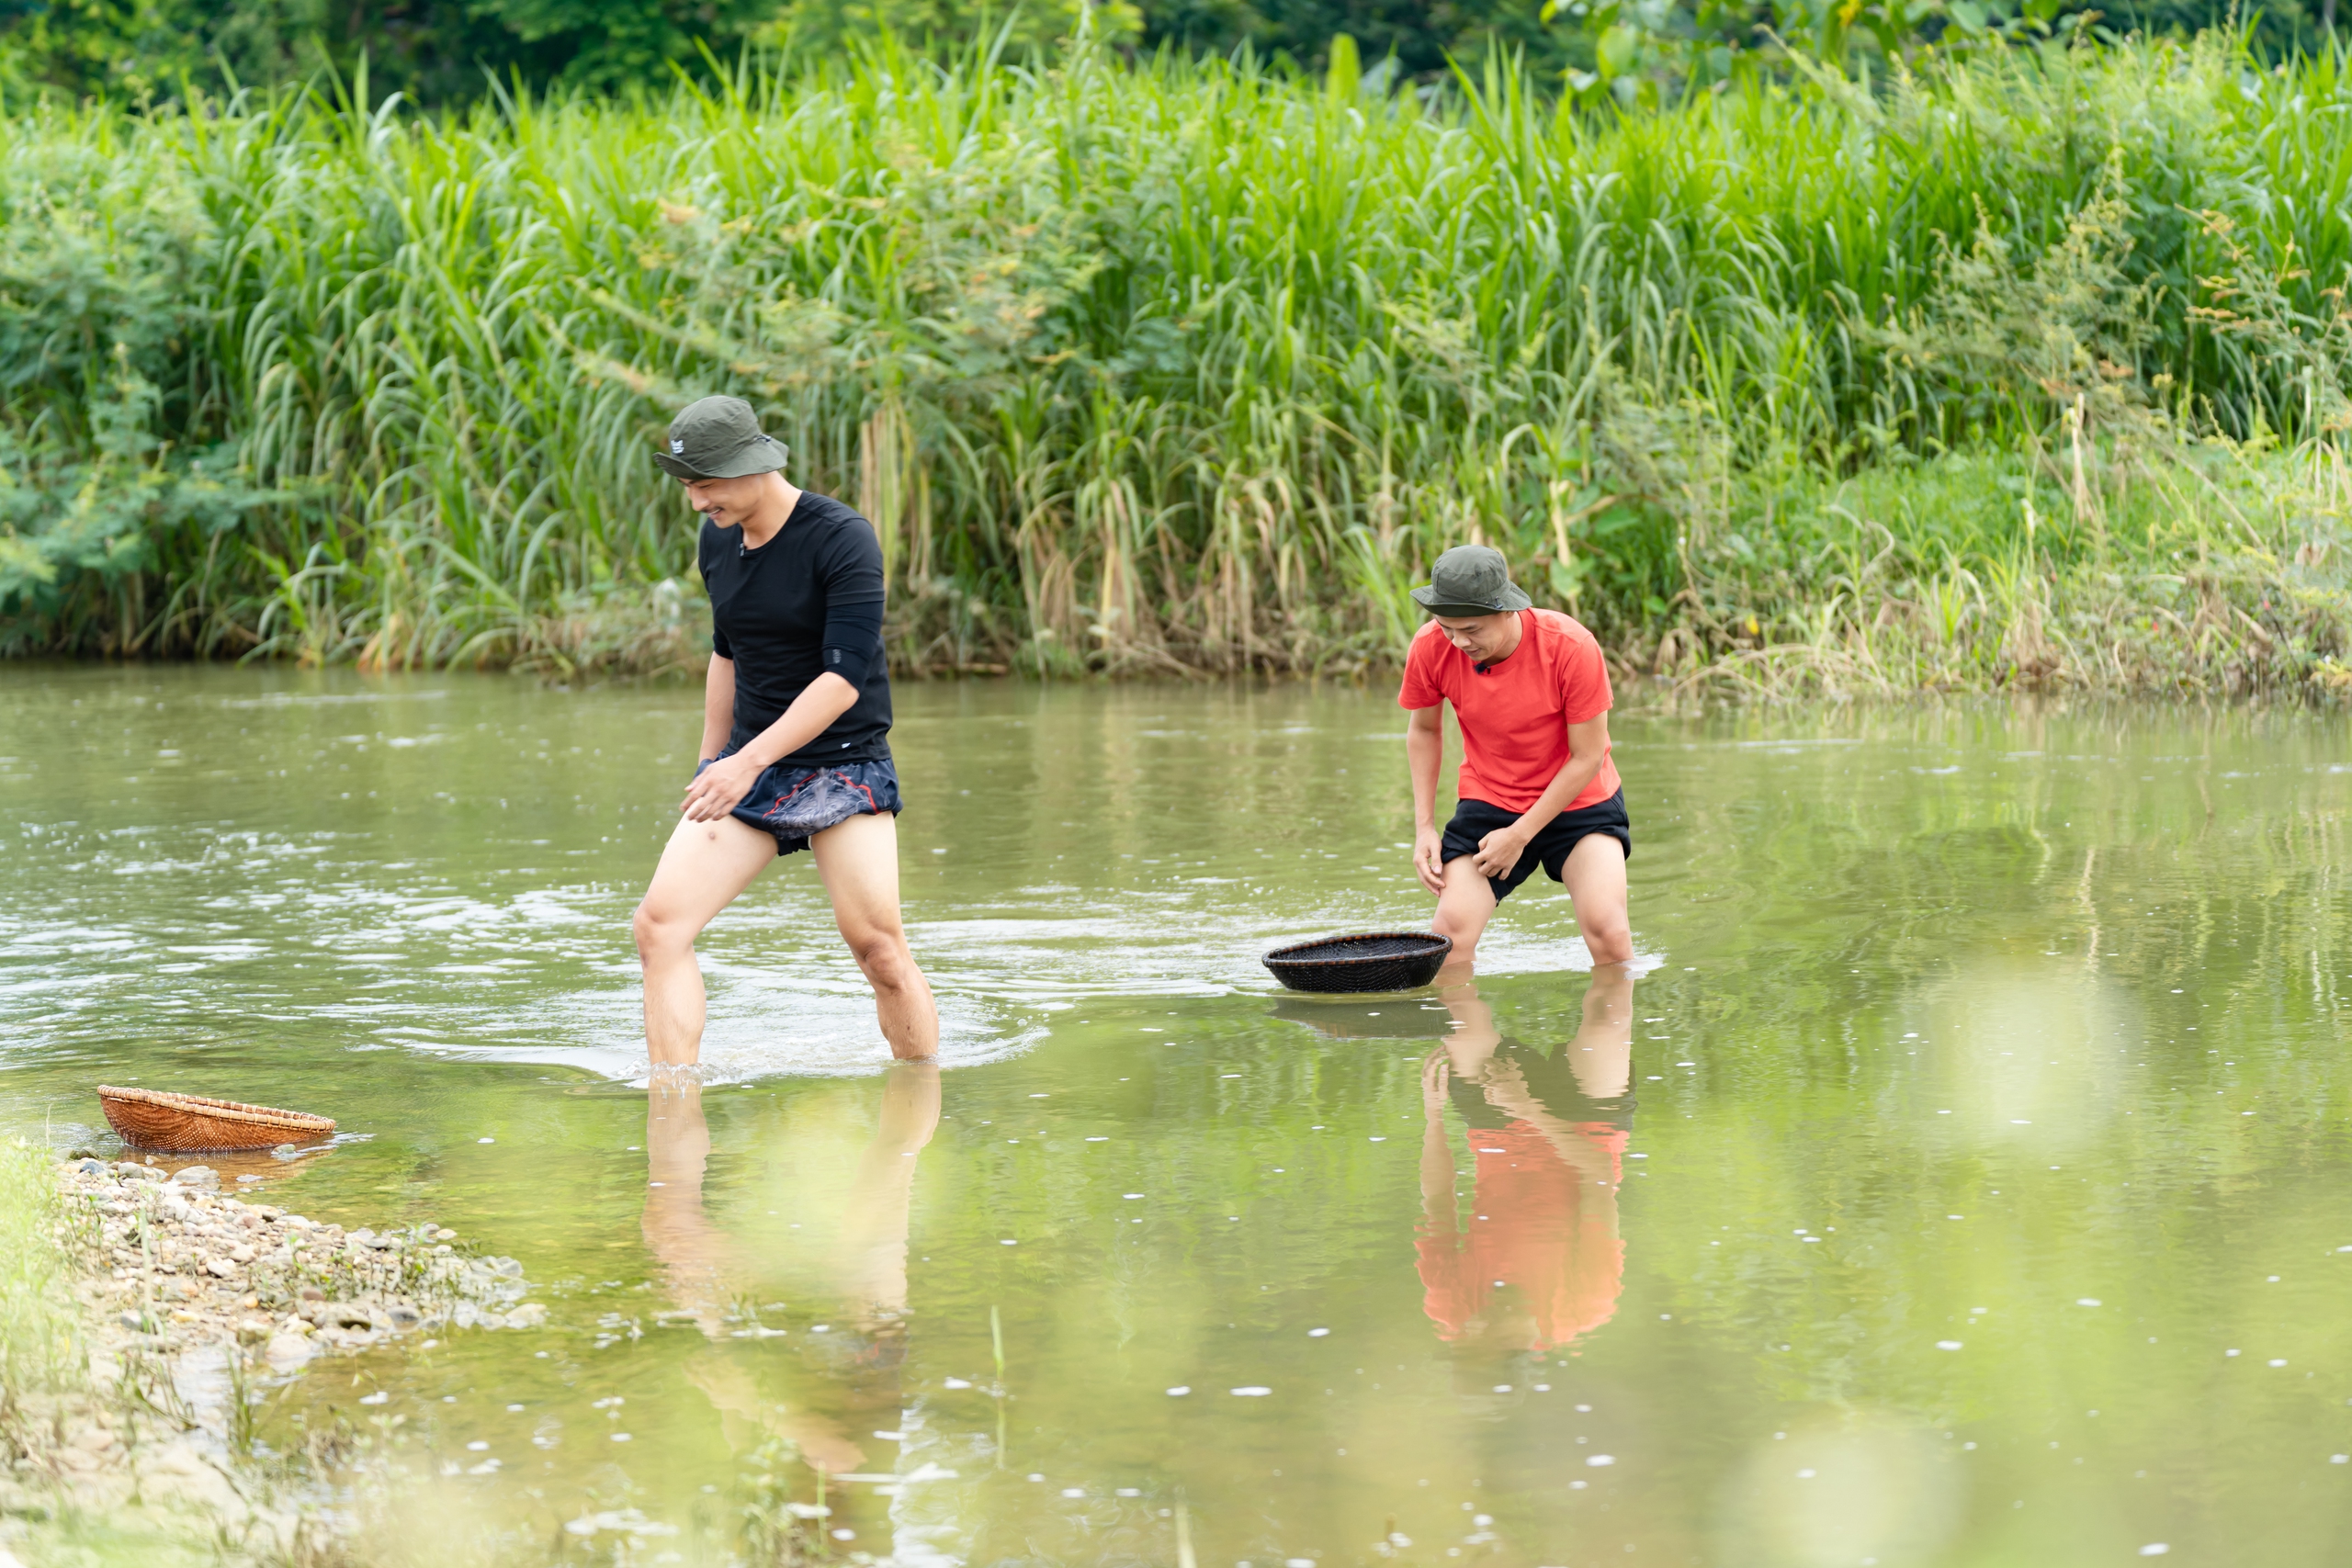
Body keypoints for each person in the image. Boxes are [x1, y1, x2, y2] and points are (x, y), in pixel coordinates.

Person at [632, 396, 938, 1064]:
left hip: (843, 761)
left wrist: (746, 760)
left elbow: (842, 679)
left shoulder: (841, 537)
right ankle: (672, 1107)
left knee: (878, 948)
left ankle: (920, 1100)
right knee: (659, 927)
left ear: (751, 467)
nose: (696, 503)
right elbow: (726, 652)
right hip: (750, 764)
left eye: (706, 485)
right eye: (688, 486)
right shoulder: (716, 538)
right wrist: (713, 759)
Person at [1399, 544, 1632, 969]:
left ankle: (1609, 1031)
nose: (1458, 641)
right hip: (1492, 799)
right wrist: (1424, 828)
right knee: (1447, 940)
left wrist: (1520, 835)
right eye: (1446, 627)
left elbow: (1587, 757)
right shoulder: (1433, 646)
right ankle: (1463, 1035)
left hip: (1580, 800)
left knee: (1609, 934)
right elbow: (1425, 730)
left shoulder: (1570, 646)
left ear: (1507, 610)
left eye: (1471, 629)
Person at [1415, 970, 1634, 1358]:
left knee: (1457, 1013)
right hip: (1587, 1132)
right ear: (1523, 1346)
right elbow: (1597, 1176)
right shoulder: (1584, 1305)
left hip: (1497, 1129)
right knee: (1609, 1015)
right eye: (1488, 1332)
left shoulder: (1452, 1309)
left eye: (1469, 1333)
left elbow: (1437, 1201)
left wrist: (1433, 1116)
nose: (1476, 1322)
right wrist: (1527, 1108)